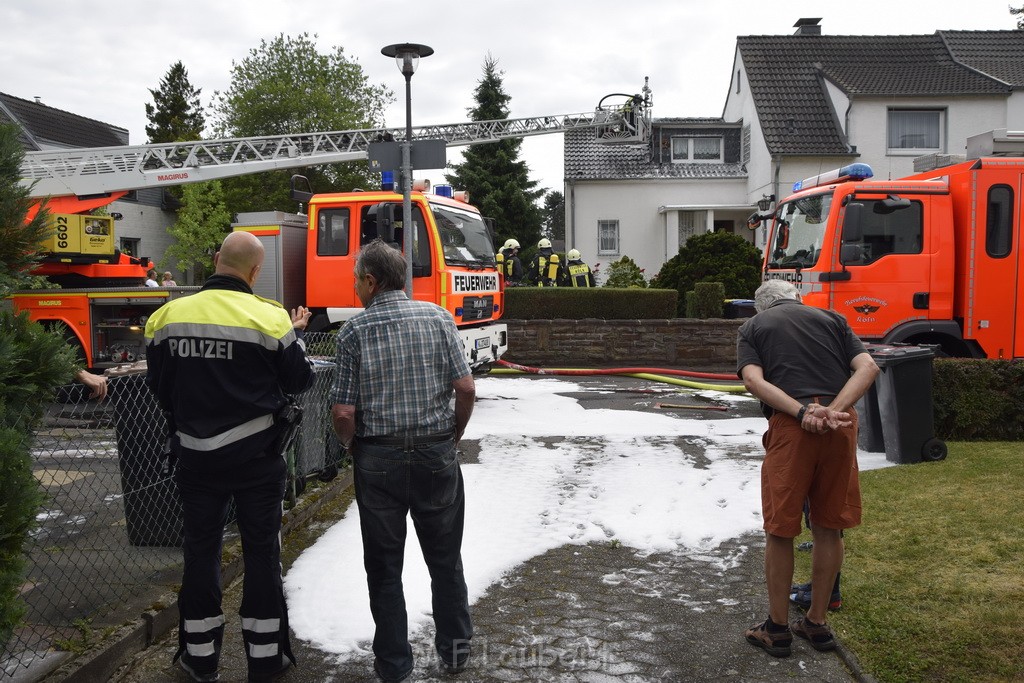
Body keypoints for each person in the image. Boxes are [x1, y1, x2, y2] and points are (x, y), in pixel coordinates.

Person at [145, 231, 314, 683]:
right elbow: (300, 381)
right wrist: (295, 337)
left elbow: (159, 387)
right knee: (262, 556)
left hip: (195, 462)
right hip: (258, 461)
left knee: (200, 555)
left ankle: (199, 659)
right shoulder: (270, 318)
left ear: (217, 259)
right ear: (256, 272)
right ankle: (264, 660)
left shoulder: (165, 317)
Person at [330, 239, 475, 682]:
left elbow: (342, 413)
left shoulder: (354, 332)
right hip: (435, 453)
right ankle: (455, 653)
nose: (355, 287)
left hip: (379, 458)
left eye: (357, 279)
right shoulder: (438, 317)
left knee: (385, 566)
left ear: (371, 281)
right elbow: (466, 388)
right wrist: (453, 433)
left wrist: (352, 445)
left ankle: (394, 666)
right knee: (445, 560)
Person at [736, 279, 878, 658]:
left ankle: (778, 630)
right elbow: (867, 368)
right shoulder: (832, 318)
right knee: (828, 526)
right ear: (797, 299)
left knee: (780, 529)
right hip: (840, 427)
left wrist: (802, 412)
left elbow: (753, 380)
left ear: (762, 308)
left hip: (791, 427)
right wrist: (834, 410)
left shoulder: (754, 326)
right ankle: (816, 623)